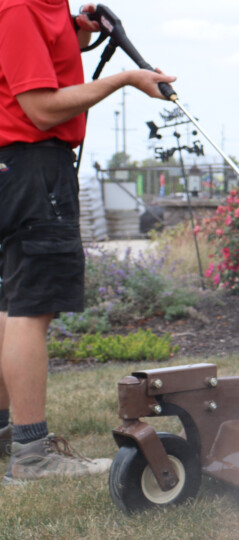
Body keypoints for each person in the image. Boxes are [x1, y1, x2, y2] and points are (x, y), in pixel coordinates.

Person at [0, 0, 175, 483]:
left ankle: (7, 434)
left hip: (22, 165)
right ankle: (32, 455)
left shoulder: (44, 6)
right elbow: (38, 108)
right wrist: (123, 80)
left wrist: (80, 30)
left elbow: (47, 61)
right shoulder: (19, 7)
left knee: (11, 303)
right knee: (30, 308)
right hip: (33, 166)